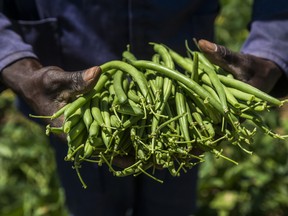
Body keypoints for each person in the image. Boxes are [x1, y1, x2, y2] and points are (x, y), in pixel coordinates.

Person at [0, 1, 287, 215]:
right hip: (75, 93)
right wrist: (14, 62)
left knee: (172, 200)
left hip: (183, 102)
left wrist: (272, 46)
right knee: (92, 203)